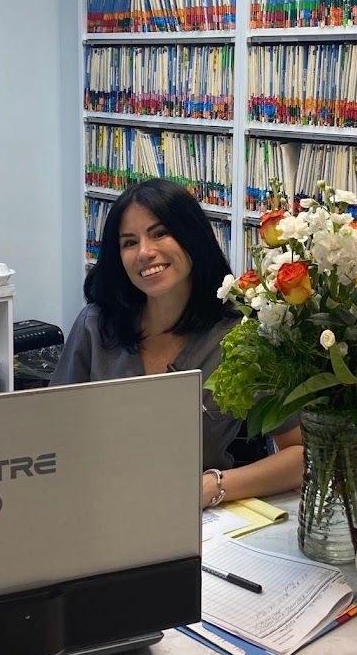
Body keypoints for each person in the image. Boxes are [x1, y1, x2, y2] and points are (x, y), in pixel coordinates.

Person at [50, 178, 304, 508]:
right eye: (129, 242)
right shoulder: (96, 325)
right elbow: (52, 435)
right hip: (100, 507)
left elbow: (301, 456)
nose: (144, 252)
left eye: (159, 233)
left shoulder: (241, 334)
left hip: (203, 522)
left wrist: (211, 487)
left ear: (191, 238)